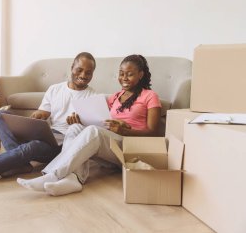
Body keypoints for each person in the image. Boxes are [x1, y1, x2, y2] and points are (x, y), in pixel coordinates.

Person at [0, 52, 97, 186]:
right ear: (72, 68)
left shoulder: (93, 96)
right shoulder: (55, 89)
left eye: (88, 73)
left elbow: (92, 133)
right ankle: (18, 165)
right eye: (79, 70)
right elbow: (44, 112)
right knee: (0, 115)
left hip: (62, 145)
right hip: (48, 134)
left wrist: (80, 123)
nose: (83, 75)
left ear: (92, 74)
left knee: (31, 147)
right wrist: (37, 117)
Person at [17, 54, 162, 196]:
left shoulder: (150, 96)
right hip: (110, 147)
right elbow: (100, 119)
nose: (124, 78)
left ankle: (53, 174)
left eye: (129, 74)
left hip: (129, 148)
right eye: (121, 73)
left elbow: (154, 132)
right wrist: (80, 120)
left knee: (93, 131)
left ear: (141, 75)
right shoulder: (116, 97)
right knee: (74, 128)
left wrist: (124, 130)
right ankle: (73, 179)